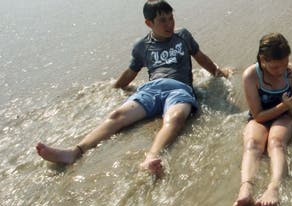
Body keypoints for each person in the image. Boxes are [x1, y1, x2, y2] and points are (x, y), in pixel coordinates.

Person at [35, 0, 229, 176]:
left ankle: (150, 158)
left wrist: (218, 72)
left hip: (180, 89)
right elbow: (131, 72)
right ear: (149, 23)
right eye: (162, 20)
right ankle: (74, 152)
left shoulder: (183, 36)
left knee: (176, 117)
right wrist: (114, 87)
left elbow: (200, 56)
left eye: (171, 18)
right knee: (117, 115)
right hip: (151, 90)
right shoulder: (141, 46)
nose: (169, 24)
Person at [234, 33, 292, 206]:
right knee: (252, 144)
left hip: (284, 117)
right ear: (262, 60)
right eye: (274, 67)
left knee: (276, 142)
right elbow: (257, 115)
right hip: (261, 117)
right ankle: (246, 188)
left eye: (284, 65)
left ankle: (274, 187)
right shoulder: (251, 75)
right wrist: (283, 105)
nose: (280, 71)